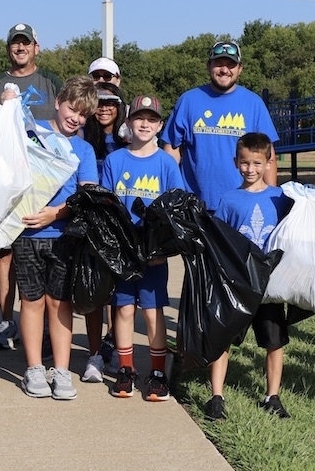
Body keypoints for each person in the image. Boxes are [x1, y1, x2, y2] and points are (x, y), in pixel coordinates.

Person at [0, 23, 64, 351]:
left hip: (46, 179)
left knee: (43, 248)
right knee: (7, 250)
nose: (20, 48)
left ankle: (41, 324)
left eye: (26, 43)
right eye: (15, 43)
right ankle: (5, 322)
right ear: (8, 48)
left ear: (36, 47)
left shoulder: (51, 83)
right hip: (5, 178)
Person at [12, 76, 97, 400]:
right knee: (31, 302)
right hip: (26, 234)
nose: (75, 118)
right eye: (72, 109)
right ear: (59, 101)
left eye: (83, 115)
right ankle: (34, 368)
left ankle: (61, 371)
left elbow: (86, 195)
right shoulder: (31, 132)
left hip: (64, 236)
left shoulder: (84, 149)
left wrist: (56, 213)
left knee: (60, 304)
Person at [204, 132, 294, 421]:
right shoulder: (229, 200)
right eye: (244, 163)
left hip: (269, 285)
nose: (250, 169)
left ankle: (272, 395)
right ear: (236, 162)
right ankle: (216, 396)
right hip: (238, 285)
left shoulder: (282, 198)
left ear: (269, 162)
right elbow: (219, 240)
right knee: (223, 339)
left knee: (274, 341)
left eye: (257, 162)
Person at [100, 94, 184, 400]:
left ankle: (158, 373)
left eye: (151, 119)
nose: (144, 124)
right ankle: (126, 369)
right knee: (122, 309)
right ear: (128, 123)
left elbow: (176, 208)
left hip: (153, 254)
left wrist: (162, 248)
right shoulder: (115, 160)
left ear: (160, 125)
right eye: (139, 118)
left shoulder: (166, 162)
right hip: (123, 251)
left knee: (152, 312)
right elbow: (106, 206)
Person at [162, 40, 279, 212]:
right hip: (195, 205)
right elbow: (172, 150)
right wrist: (172, 196)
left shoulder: (253, 103)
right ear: (208, 66)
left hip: (242, 204)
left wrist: (271, 201)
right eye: (218, 64)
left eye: (231, 64)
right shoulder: (188, 100)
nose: (224, 70)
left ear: (240, 69)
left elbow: (268, 155)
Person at [81, 81, 128, 375]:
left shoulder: (128, 138)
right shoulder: (83, 135)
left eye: (111, 102)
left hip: (120, 223)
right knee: (93, 289)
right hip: (90, 221)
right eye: (99, 102)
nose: (105, 108)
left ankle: (113, 341)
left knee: (118, 293)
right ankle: (95, 351)